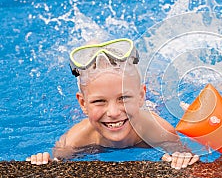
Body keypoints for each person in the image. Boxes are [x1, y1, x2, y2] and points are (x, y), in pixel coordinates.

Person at [26, 38, 199, 169]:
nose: (113, 112)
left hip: (147, 107)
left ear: (140, 96)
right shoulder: (74, 141)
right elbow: (57, 166)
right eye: (99, 101)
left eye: (123, 98)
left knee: (155, 103)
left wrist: (181, 157)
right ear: (83, 103)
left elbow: (186, 155)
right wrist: (44, 162)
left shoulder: (159, 131)